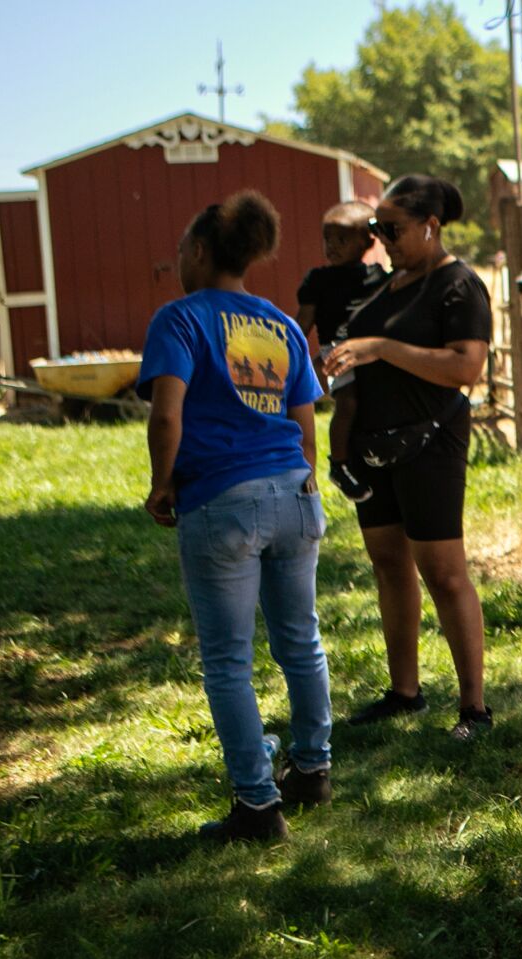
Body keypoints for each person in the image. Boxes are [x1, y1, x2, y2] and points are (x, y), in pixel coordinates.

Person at [137, 191, 331, 842]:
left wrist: (163, 483)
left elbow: (168, 413)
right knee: (300, 640)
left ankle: (256, 804)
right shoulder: (278, 323)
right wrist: (301, 483)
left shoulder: (180, 319)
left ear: (197, 251)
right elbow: (305, 426)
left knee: (227, 660)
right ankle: (312, 767)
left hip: (222, 501)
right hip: (295, 494)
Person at [321, 175, 494, 740]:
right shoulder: (382, 290)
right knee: (388, 564)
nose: (382, 239)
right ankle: (405, 692)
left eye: (391, 229)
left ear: (430, 226)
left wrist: (381, 348)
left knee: (443, 574)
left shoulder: (459, 286)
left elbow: (466, 368)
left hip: (430, 443)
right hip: (375, 448)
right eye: (376, 229)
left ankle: (474, 709)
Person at [295, 199, 387, 474]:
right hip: (334, 350)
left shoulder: (378, 277)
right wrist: (295, 359)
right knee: (347, 401)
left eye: (342, 240)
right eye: (327, 239)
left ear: (366, 243)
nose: (332, 246)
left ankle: (372, 450)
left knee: (375, 400)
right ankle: (339, 463)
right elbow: (303, 323)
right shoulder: (318, 279)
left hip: (370, 351)